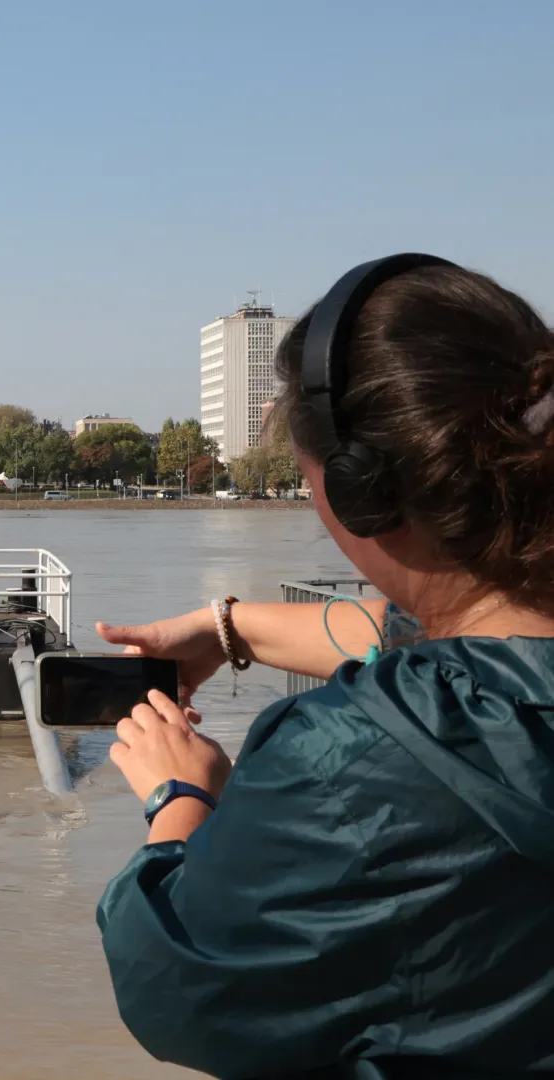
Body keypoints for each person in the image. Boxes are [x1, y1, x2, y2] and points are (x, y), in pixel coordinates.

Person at [92, 254, 554, 1079]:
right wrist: (229, 627)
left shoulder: (351, 761)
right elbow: (469, 647)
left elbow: (181, 987)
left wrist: (180, 798)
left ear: (360, 490)